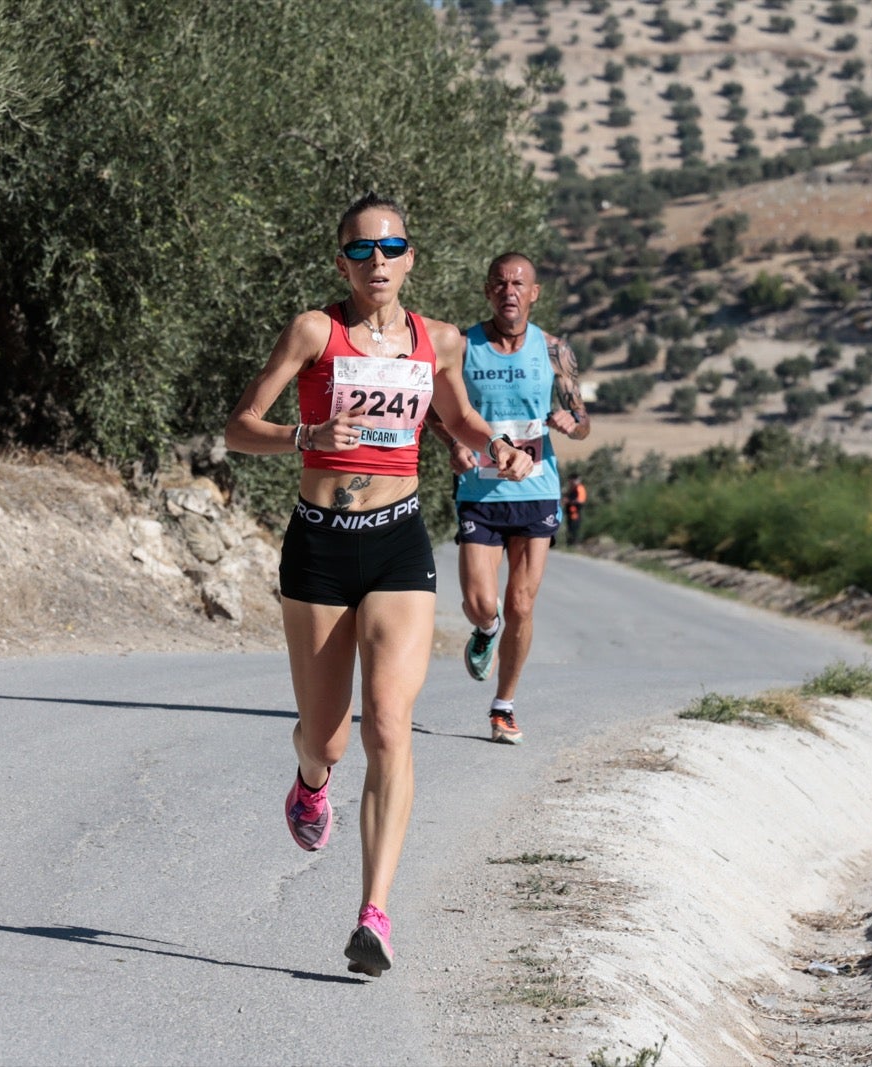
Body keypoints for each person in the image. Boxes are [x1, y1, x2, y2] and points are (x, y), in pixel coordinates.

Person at [223, 193, 533, 979]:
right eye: (362, 252)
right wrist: (305, 435)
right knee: (325, 736)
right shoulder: (314, 331)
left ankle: (374, 913)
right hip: (320, 549)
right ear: (342, 263)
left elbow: (456, 422)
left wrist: (499, 446)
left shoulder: (441, 341)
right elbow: (238, 427)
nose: (378, 263)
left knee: (389, 726)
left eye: (391, 248)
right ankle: (309, 782)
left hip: (396, 545)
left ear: (411, 257)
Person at [426, 252, 589, 746]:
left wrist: (571, 422)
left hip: (537, 487)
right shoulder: (463, 345)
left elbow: (582, 421)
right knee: (481, 603)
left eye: (519, 284)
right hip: (479, 488)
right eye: (499, 284)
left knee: (522, 600)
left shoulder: (555, 350)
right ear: (487, 291)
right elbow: (436, 408)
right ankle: (485, 629)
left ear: (534, 293)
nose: (509, 291)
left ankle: (504, 706)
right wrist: (454, 444)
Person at [563, 473, 587, 547]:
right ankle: (570, 544)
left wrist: (569, 501)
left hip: (575, 513)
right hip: (570, 512)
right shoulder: (572, 488)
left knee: (574, 529)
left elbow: (581, 500)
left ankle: (574, 544)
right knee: (570, 528)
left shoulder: (579, 488)